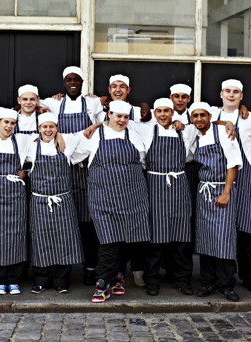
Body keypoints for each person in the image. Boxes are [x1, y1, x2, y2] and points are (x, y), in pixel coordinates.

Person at [72, 100, 150, 303]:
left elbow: (143, 161)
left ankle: (118, 277)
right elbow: (72, 154)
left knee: (127, 239)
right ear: (109, 114)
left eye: (126, 117)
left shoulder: (134, 134)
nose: (122, 120)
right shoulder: (94, 135)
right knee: (108, 240)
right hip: (104, 197)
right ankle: (102, 283)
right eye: (118, 116)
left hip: (132, 195)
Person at [41, 66, 104, 286]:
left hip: (87, 171)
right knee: (65, 222)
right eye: (68, 80)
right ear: (63, 83)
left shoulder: (93, 103)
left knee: (89, 223)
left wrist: (93, 126)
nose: (72, 83)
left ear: (82, 82)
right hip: (63, 171)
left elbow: (105, 123)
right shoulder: (54, 103)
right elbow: (26, 108)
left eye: (76, 79)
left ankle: (90, 267)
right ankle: (61, 269)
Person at [211, 79, 251, 294]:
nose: (231, 95)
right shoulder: (210, 114)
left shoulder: (250, 118)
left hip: (245, 178)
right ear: (220, 94)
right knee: (221, 228)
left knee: (246, 228)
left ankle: (248, 274)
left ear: (241, 96)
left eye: (236, 92)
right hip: (219, 177)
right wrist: (224, 123)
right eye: (227, 91)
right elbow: (194, 121)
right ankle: (221, 276)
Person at [141, 98, 196, 296]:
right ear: (155, 114)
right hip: (154, 185)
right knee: (155, 239)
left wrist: (228, 122)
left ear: (173, 113)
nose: (163, 115)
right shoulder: (147, 131)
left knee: (182, 239)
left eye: (167, 111)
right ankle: (152, 280)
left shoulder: (187, 131)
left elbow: (208, 122)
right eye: (159, 111)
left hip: (179, 185)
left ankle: (182, 279)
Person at [190, 102, 243, 302]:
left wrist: (226, 192)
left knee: (224, 238)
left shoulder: (224, 133)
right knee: (206, 238)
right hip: (204, 191)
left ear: (209, 116)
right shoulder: (195, 135)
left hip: (222, 189)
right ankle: (207, 282)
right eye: (195, 116)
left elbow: (233, 165)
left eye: (203, 115)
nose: (199, 119)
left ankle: (226, 284)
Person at [26, 112, 84, 294]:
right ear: (38, 129)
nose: (48, 130)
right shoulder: (29, 145)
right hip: (39, 200)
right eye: (44, 126)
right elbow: (5, 136)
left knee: (63, 239)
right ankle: (41, 278)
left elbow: (86, 134)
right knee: (40, 239)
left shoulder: (65, 144)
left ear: (57, 128)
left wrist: (98, 125)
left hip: (62, 199)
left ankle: (61, 279)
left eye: (52, 126)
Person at [0, 108, 33, 295]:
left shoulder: (22, 140)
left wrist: (26, 173)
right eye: (6, 122)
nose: (9, 126)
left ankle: (14, 279)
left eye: (12, 123)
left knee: (17, 235)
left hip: (16, 194)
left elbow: (47, 137)